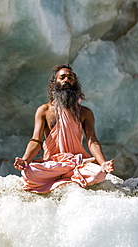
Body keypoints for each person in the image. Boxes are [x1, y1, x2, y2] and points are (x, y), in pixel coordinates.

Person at [14, 64, 114, 193]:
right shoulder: (44, 110)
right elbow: (36, 140)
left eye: (70, 77)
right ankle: (69, 176)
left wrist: (103, 163)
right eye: (62, 77)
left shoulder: (85, 112)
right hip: (54, 163)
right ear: (55, 82)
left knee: (99, 173)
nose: (67, 80)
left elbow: (92, 140)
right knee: (29, 172)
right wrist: (25, 160)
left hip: (77, 162)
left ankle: (60, 177)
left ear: (75, 83)